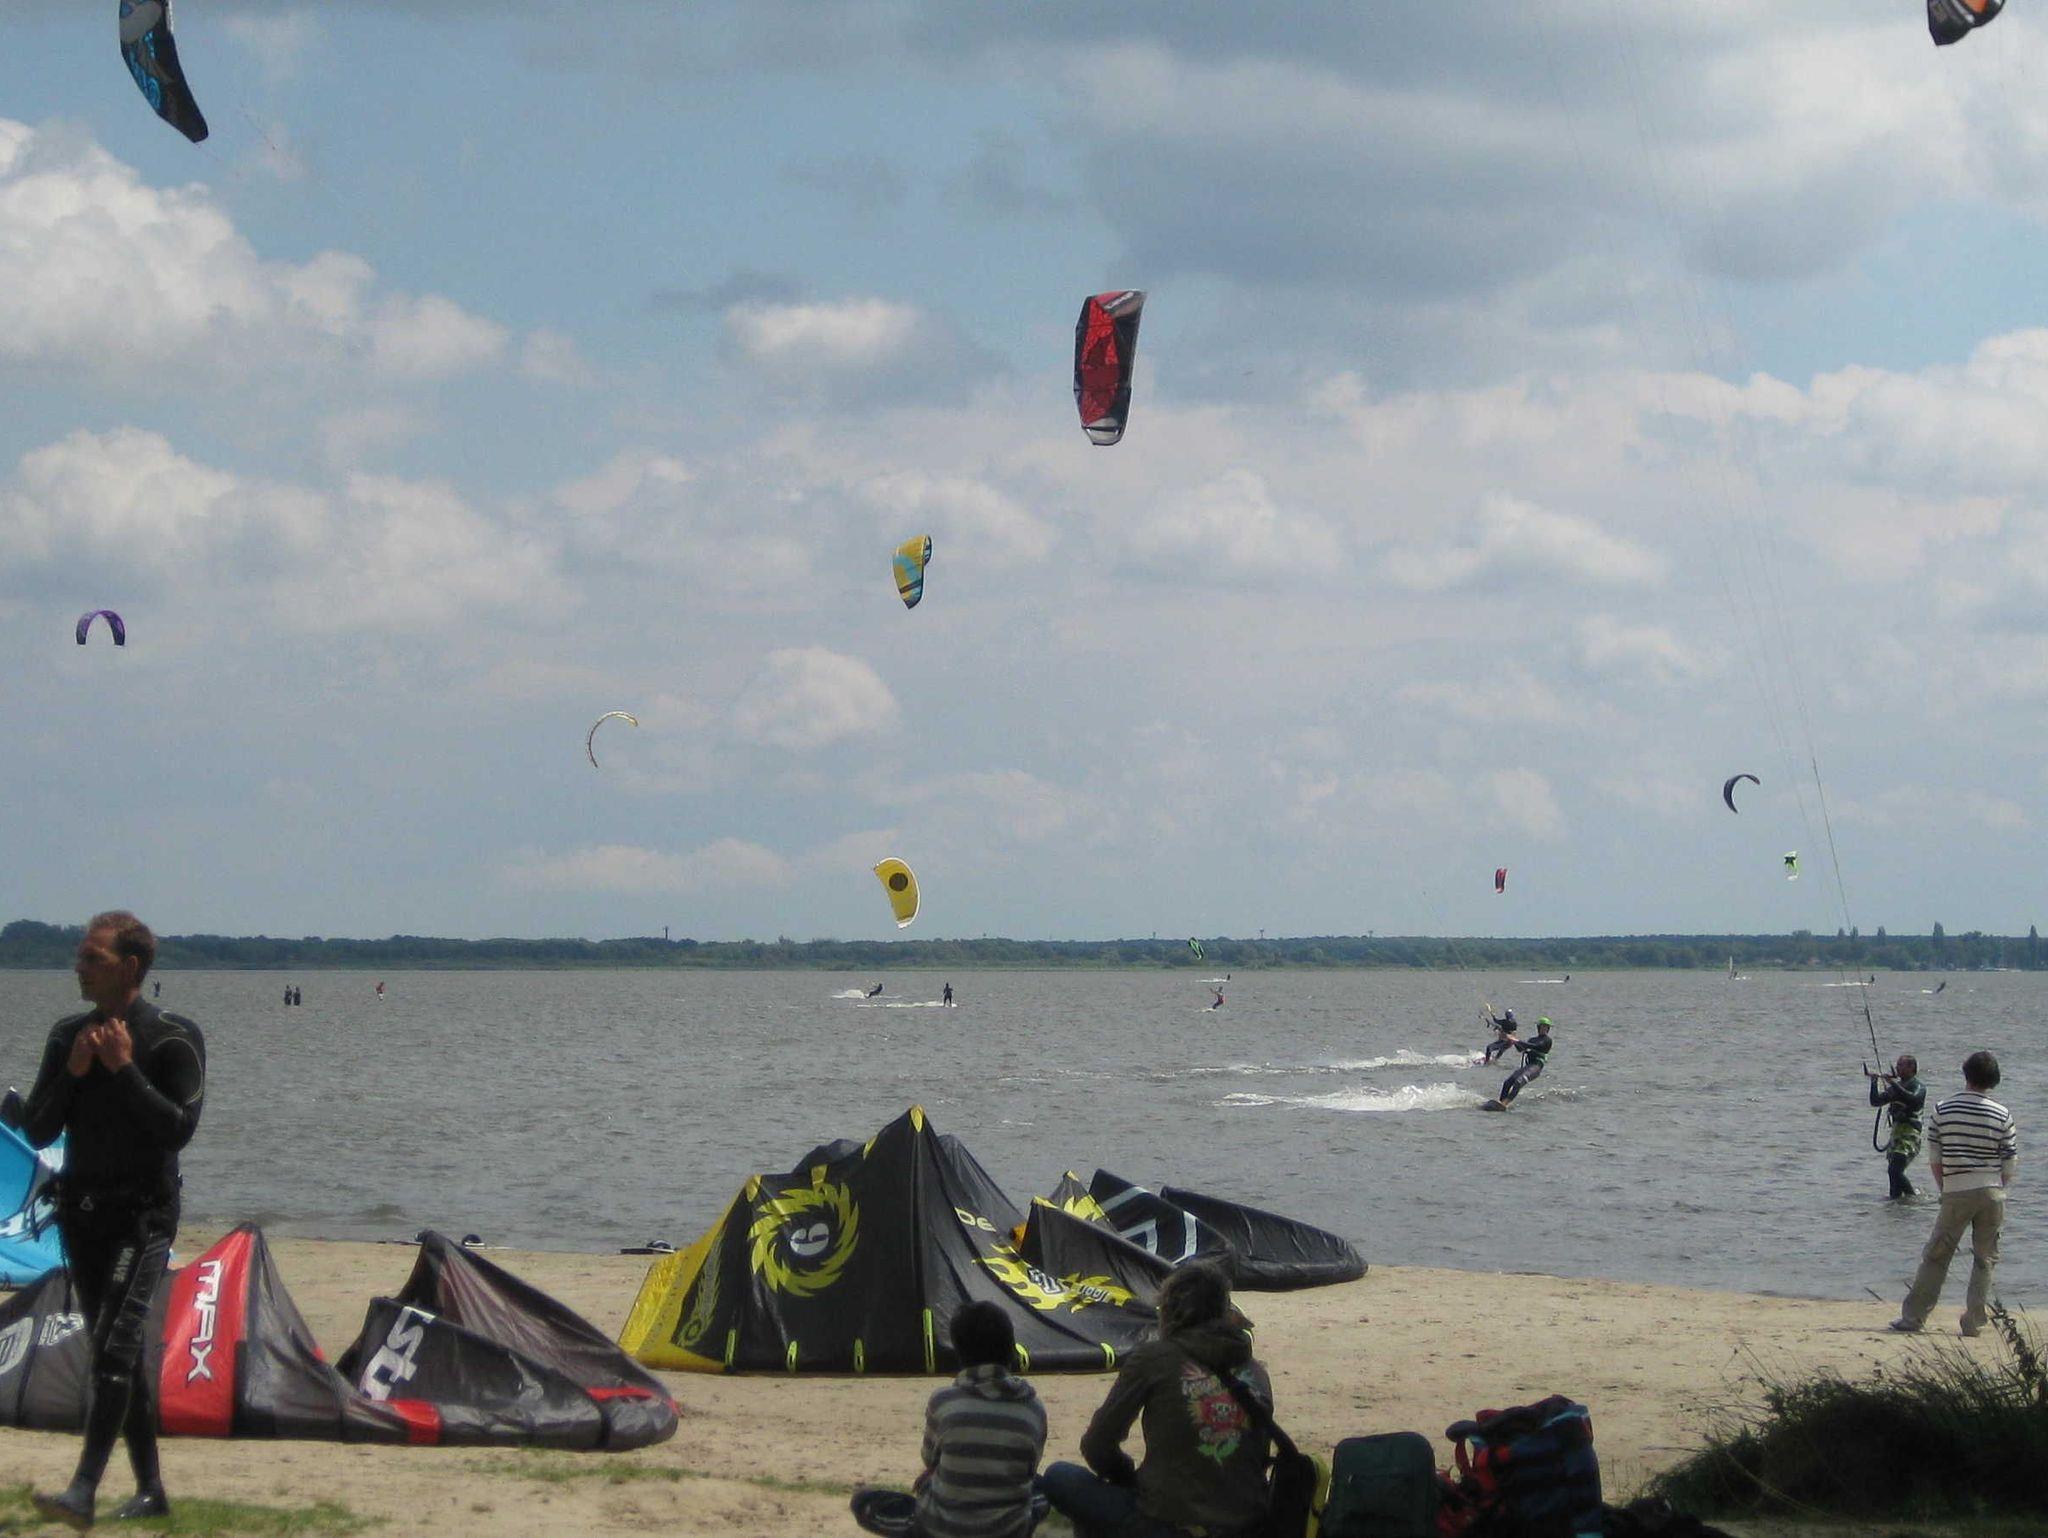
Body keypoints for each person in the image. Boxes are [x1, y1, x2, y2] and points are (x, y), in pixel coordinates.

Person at [18, 911, 205, 1526]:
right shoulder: (67, 1036)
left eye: (92, 958)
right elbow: (38, 1130)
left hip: (142, 1218)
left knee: (116, 1350)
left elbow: (177, 1130)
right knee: (111, 1350)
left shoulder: (173, 1037)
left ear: (129, 967)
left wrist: (124, 1069)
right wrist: (73, 1075)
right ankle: (152, 1491)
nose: (79, 967)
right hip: (82, 1216)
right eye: (80, 956)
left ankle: (82, 1492)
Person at [1044, 1262, 1272, 1538]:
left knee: (1060, 1477)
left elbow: (1097, 1445)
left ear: (1169, 1309)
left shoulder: (1154, 1359)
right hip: (1245, 1525)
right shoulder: (1255, 1371)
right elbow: (1255, 1456)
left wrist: (1127, 1477)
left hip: (1169, 1524)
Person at [1892, 1051, 2017, 1337]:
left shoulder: (1943, 1109)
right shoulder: (2002, 1114)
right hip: (1992, 1191)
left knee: (1937, 1255)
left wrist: (1945, 1187)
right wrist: (1997, 1184)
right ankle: (1974, 1321)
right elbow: (2009, 1161)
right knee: (1985, 1259)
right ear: (1993, 1080)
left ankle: (1914, 1317)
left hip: (1956, 1189)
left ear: (1966, 1074)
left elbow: (1935, 1158)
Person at [1866, 1054, 1927, 1199]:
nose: (1897, 1068)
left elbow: (1912, 1098)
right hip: (1896, 1136)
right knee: (1893, 1180)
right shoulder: (1897, 1087)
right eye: (1897, 1065)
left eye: (1901, 1065)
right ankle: (1896, 1204)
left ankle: (1913, 1197)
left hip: (1910, 1136)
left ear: (1911, 1068)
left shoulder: (1918, 1086)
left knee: (1894, 1171)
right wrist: (1874, 1082)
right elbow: (1876, 1101)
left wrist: (1892, 1083)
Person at [1496, 1017, 1554, 1107]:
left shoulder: (1547, 1040)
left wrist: (1517, 1040)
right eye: (1542, 1027)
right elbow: (1521, 1049)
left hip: (1536, 1067)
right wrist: (1512, 1040)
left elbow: (1536, 1046)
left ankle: (1505, 1103)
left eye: (1546, 1027)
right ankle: (1500, 1102)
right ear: (1538, 1027)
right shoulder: (1532, 1039)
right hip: (1528, 1066)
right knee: (1508, 1082)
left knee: (1519, 1082)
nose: (1544, 1029)